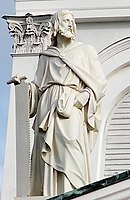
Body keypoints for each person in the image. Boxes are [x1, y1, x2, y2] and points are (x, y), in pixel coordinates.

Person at [14, 10, 107, 196]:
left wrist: (86, 95)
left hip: (70, 106)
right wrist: (24, 88)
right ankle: (49, 193)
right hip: (47, 108)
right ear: (57, 26)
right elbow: (37, 88)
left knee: (72, 149)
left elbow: (99, 83)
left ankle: (74, 192)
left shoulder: (85, 51)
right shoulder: (46, 56)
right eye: (66, 21)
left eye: (72, 21)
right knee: (44, 153)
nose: (71, 24)